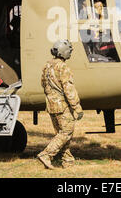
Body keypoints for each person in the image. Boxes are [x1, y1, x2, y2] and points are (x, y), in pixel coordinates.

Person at [37, 39, 84, 169]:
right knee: (66, 132)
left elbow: (43, 84)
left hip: (51, 105)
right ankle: (46, 155)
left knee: (61, 134)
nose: (70, 53)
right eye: (69, 50)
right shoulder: (63, 67)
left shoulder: (47, 66)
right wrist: (77, 107)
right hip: (63, 106)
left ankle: (67, 161)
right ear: (63, 52)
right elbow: (69, 89)